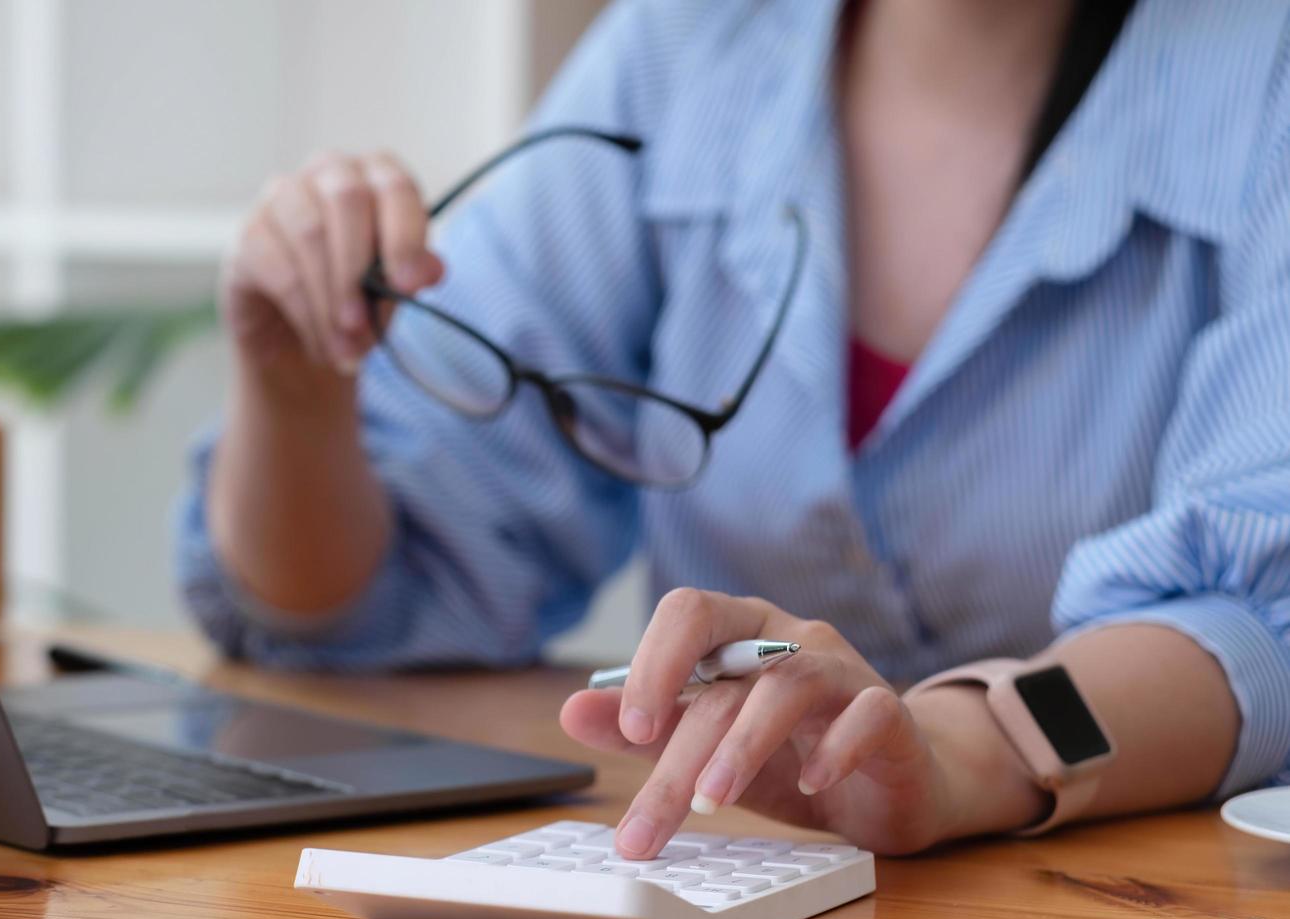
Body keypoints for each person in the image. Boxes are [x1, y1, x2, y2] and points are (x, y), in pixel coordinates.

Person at [177, 0, 1290, 858]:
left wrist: (962, 750)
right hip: (726, 899)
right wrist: (296, 389)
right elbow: (356, 599)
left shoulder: (1259, 80)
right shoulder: (687, 43)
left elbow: (1259, 618)